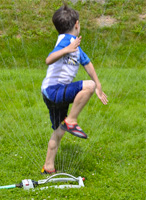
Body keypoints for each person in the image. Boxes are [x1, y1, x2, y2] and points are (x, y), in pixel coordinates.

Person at [41, 4, 108, 174]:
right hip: (55, 90)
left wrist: (99, 84)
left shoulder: (74, 45)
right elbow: (49, 59)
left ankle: (48, 166)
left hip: (50, 93)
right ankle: (72, 120)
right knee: (88, 86)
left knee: (58, 130)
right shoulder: (66, 40)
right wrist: (66, 49)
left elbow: (86, 62)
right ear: (77, 24)